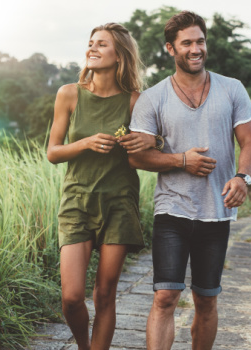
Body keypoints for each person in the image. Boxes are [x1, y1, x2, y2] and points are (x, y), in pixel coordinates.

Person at [127, 11, 251, 350]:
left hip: (217, 210)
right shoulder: (152, 98)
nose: (195, 48)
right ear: (171, 48)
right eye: (187, 43)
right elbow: (137, 156)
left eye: (200, 41)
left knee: (206, 300)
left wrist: (242, 177)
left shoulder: (232, 89)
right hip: (172, 209)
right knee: (165, 297)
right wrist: (182, 160)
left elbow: (250, 141)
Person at [46, 22, 156, 350]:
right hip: (77, 200)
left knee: (105, 295)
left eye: (101, 44)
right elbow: (53, 152)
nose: (91, 49)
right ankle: (83, 345)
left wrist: (145, 141)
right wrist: (87, 143)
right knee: (71, 297)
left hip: (119, 201)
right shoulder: (69, 94)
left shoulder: (135, 101)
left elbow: (150, 146)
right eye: (91, 43)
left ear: (119, 55)